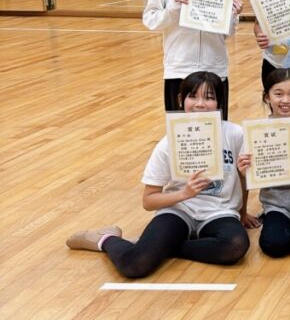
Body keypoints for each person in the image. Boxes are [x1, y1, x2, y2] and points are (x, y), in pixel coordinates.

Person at [66, 72, 250, 278]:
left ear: (219, 103)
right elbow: (148, 201)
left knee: (235, 246)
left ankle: (162, 247)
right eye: (193, 96)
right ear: (181, 100)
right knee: (134, 265)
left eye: (209, 97)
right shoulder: (167, 143)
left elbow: (242, 178)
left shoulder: (235, 134)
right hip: (179, 210)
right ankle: (106, 238)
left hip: (219, 212)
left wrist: (242, 213)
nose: (200, 104)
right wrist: (184, 194)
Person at [239, 68, 290, 258]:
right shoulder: (257, 131)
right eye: (278, 94)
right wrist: (245, 170)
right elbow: (249, 175)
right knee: (274, 246)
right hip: (274, 201)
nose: (286, 100)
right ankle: (274, 217)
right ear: (267, 97)